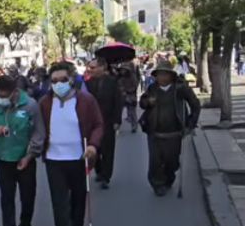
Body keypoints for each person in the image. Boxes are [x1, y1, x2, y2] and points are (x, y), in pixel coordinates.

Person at [39, 62, 104, 226]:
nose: (58, 84)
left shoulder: (85, 100)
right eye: (54, 81)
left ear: (71, 80)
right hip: (54, 159)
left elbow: (98, 125)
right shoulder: (44, 102)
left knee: (78, 197)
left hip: (79, 157)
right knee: (59, 203)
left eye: (62, 80)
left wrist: (93, 145)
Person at [0, 75, 45, 226]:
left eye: (5, 95)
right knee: (6, 198)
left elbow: (38, 133)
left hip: (24, 158)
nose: (2, 99)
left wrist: (30, 155)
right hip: (3, 158)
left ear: (15, 92)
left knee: (27, 196)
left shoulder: (30, 105)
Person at [138, 60, 201, 197]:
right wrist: (148, 102)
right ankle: (158, 183)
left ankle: (168, 178)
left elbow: (195, 104)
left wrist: (190, 124)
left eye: (165, 74)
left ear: (171, 75)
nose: (162, 78)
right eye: (159, 75)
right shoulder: (152, 88)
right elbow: (142, 103)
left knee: (171, 160)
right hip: (155, 132)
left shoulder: (180, 88)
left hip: (174, 131)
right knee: (155, 160)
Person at [86, 58, 123, 189]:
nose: (91, 70)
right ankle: (99, 171)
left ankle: (106, 176)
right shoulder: (88, 84)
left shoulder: (112, 82)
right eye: (90, 68)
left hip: (107, 120)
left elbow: (118, 102)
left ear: (102, 67)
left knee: (108, 149)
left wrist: (117, 120)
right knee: (95, 148)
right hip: (92, 123)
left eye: (94, 67)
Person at [117, 61, 140, 133]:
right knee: (118, 112)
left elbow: (135, 86)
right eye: (122, 69)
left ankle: (134, 126)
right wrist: (122, 90)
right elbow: (118, 86)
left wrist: (127, 90)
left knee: (132, 112)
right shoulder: (119, 78)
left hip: (131, 96)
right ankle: (117, 126)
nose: (123, 71)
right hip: (122, 96)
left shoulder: (132, 77)